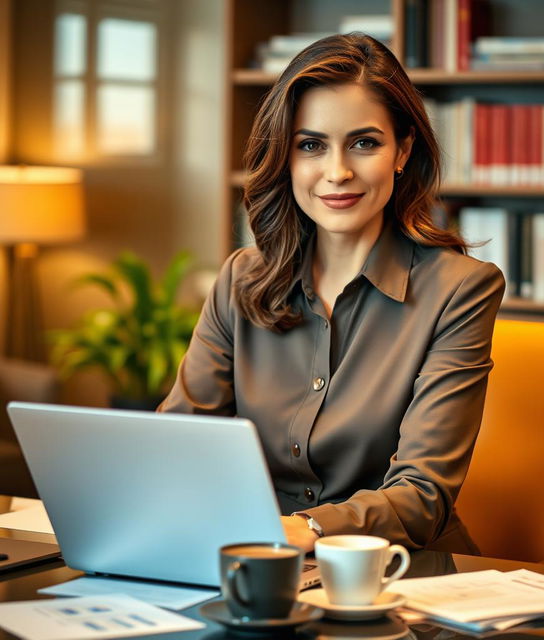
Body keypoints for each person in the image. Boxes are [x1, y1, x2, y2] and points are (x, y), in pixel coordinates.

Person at [159, 33, 505, 555]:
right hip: (256, 562)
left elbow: (423, 495)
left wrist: (308, 528)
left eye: (364, 143)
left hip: (396, 577)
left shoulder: (461, 290)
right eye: (311, 145)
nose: (337, 171)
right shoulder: (241, 279)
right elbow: (177, 445)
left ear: (403, 151)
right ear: (287, 157)